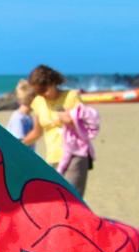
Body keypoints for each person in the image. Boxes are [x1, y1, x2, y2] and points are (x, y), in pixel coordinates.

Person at [23, 64, 89, 195]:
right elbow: (37, 132)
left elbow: (86, 126)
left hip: (75, 156)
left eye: (44, 90)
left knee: (72, 198)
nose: (43, 94)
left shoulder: (71, 96)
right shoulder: (38, 102)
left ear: (53, 83)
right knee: (57, 199)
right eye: (38, 91)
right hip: (53, 158)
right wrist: (18, 144)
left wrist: (71, 122)